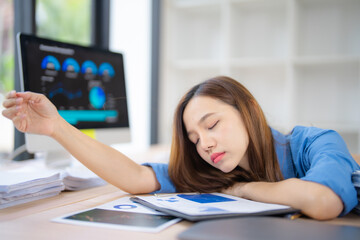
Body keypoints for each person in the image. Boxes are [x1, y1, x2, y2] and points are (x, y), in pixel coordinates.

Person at [2, 76, 359, 220]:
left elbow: (324, 201)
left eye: (212, 125)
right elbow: (136, 176)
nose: (205, 144)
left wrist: (246, 189)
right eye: (194, 138)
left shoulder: (315, 141)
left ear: (247, 110)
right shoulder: (212, 169)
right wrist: (56, 128)